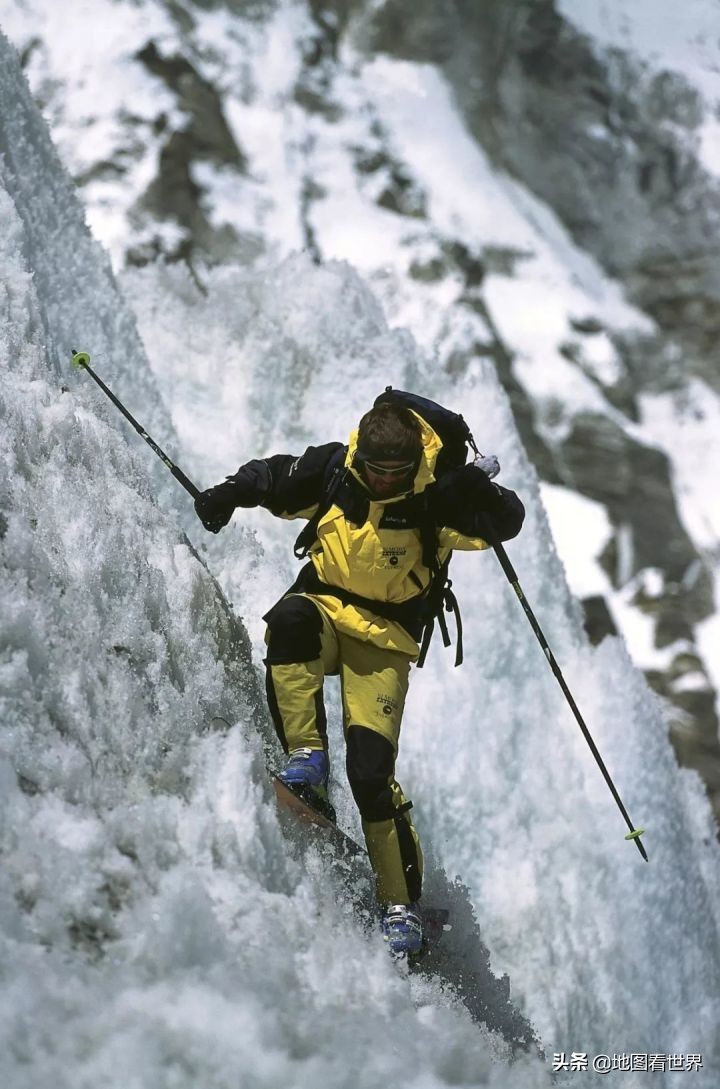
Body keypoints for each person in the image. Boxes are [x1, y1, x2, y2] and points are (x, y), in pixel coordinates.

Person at [194, 398, 524, 955]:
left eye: (394, 472)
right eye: (376, 469)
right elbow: (274, 476)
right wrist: (229, 492)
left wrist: (478, 493)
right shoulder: (336, 472)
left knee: (371, 773)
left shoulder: (434, 496)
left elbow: (506, 520)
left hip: (387, 640)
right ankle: (307, 762)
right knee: (291, 619)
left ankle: (400, 905)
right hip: (323, 607)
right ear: (361, 455)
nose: (382, 479)